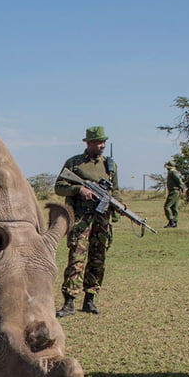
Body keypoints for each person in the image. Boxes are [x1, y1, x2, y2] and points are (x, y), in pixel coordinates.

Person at [54, 125, 123, 317]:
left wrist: (120, 204)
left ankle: (90, 299)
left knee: (97, 259)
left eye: (104, 142)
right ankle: (69, 302)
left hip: (102, 219)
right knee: (77, 258)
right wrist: (79, 190)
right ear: (88, 143)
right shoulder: (74, 163)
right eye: (98, 142)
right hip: (81, 219)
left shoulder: (110, 165)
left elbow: (115, 190)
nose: (102, 146)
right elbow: (59, 187)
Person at [163, 160, 186, 228]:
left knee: (166, 206)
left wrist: (182, 187)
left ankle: (171, 221)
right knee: (174, 207)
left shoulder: (172, 172)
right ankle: (175, 222)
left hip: (174, 191)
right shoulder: (172, 172)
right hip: (176, 191)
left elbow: (179, 180)